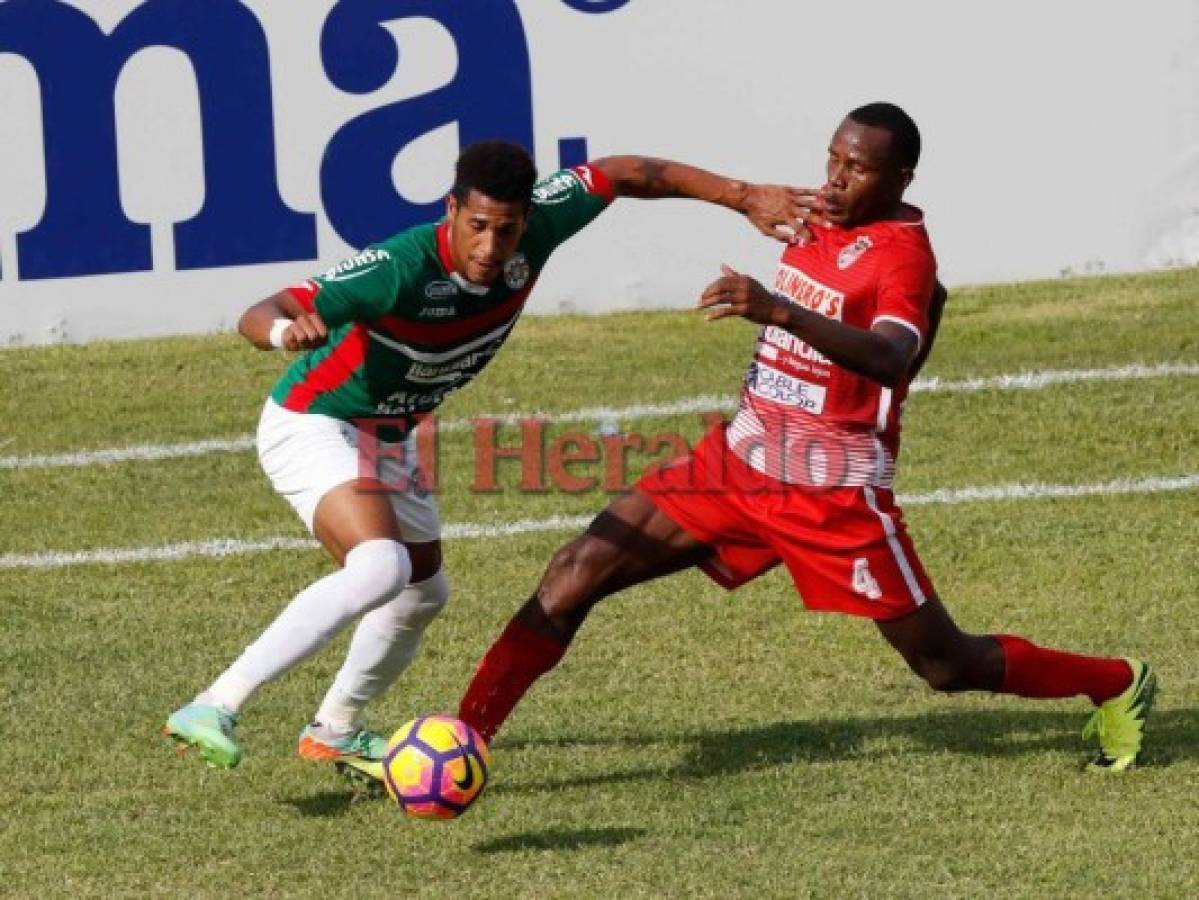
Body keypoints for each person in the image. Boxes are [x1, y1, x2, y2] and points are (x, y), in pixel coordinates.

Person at [454, 104, 1157, 775]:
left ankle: (1115, 682)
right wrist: (745, 198)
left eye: (856, 169)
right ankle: (463, 740)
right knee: (575, 569)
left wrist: (780, 313)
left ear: (900, 180)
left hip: (830, 493)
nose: (835, 179)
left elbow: (890, 353)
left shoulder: (901, 255)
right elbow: (928, 309)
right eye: (832, 159)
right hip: (735, 464)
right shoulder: (814, 213)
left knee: (944, 664)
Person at [162, 140, 821, 772]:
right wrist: (283, 330)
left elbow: (622, 172)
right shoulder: (399, 267)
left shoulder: (534, 232)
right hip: (315, 422)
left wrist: (741, 197)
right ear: (450, 210)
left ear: (526, 221)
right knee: (380, 567)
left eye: (504, 230)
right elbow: (263, 309)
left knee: (422, 593)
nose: (488, 246)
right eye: (475, 225)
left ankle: (333, 730)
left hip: (388, 436)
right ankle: (214, 704)